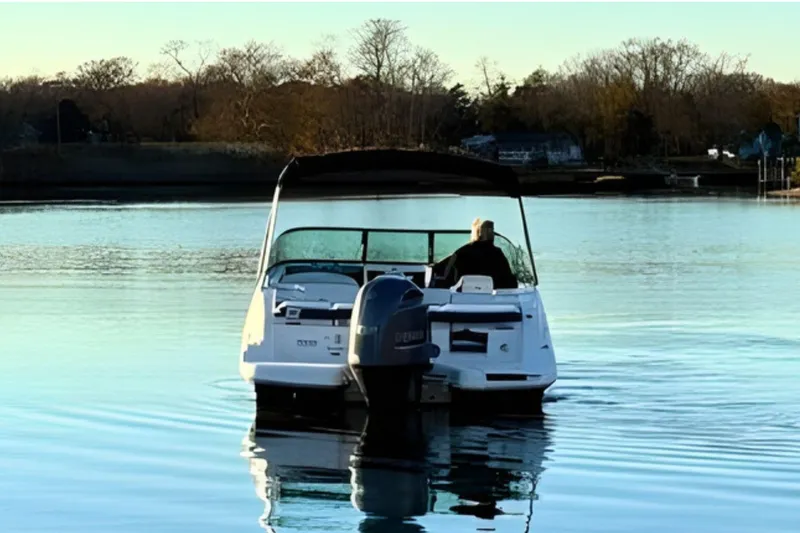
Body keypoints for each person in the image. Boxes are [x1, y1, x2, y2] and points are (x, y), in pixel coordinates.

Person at [433, 218, 518, 289]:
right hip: (492, 295)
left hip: (466, 294)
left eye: (492, 230)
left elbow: (454, 257)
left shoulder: (468, 249)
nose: (492, 233)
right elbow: (508, 278)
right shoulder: (497, 253)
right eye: (490, 230)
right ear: (484, 232)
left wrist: (444, 275)